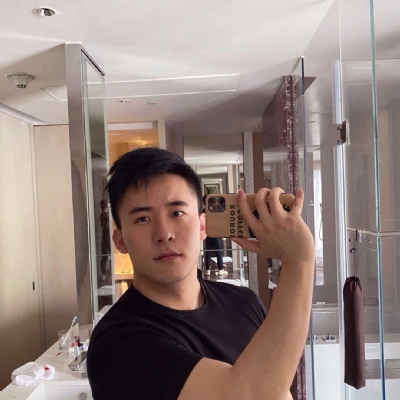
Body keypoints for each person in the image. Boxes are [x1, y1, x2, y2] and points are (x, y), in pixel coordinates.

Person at [87, 147, 315, 400]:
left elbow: (279, 393)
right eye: (143, 219)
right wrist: (298, 262)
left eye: (177, 213)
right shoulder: (117, 344)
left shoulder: (244, 302)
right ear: (120, 240)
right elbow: (253, 396)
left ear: (202, 226)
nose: (164, 234)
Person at [202, 195, 227, 276]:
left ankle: (207, 269)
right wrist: (222, 233)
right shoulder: (215, 211)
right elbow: (219, 223)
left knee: (208, 252)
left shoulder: (203, 211)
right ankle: (220, 269)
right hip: (216, 233)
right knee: (218, 252)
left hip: (208, 234)